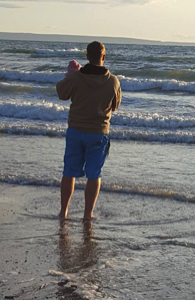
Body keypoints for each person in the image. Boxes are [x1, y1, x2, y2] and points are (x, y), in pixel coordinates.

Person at [56, 41, 121, 220]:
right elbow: (115, 105)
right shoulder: (113, 81)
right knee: (94, 174)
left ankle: (64, 212)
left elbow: (61, 93)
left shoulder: (76, 77)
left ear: (87, 57)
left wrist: (68, 76)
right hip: (98, 132)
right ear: (103, 57)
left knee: (69, 172)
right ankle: (88, 214)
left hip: (76, 130)